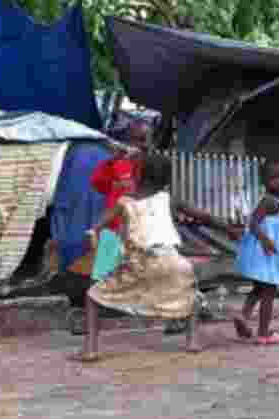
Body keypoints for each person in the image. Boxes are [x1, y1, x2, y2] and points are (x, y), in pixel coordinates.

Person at [78, 153, 201, 362]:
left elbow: (109, 213)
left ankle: (91, 347)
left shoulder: (132, 191)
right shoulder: (116, 163)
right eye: (141, 137)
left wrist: (94, 229)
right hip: (133, 244)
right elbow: (98, 184)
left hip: (135, 251)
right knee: (191, 293)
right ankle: (192, 339)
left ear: (139, 172)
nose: (143, 143)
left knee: (95, 293)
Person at [233, 158, 279, 345]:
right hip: (265, 254)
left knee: (259, 288)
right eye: (276, 177)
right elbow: (252, 223)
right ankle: (263, 333)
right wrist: (266, 240)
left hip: (264, 253)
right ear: (264, 181)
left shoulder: (274, 202)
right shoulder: (270, 202)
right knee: (269, 291)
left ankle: (243, 316)